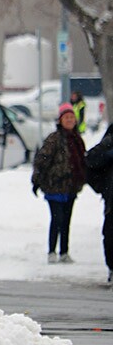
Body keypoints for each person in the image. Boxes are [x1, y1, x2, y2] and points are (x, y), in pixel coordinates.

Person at [31, 102, 86, 264]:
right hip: (54, 186)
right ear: (60, 120)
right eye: (66, 117)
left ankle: (64, 251)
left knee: (67, 220)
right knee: (57, 219)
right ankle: (52, 251)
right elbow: (42, 160)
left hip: (71, 187)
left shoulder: (77, 140)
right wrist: (37, 180)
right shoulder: (54, 139)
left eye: (72, 118)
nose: (69, 120)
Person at [86, 124, 113, 282]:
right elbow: (90, 161)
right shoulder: (110, 140)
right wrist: (102, 187)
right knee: (110, 237)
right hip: (112, 202)